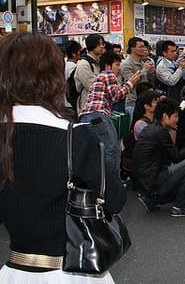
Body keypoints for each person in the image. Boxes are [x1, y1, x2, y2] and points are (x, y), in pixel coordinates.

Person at [0, 32, 126, 283]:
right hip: (71, 271)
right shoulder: (75, 137)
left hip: (14, 269)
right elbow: (114, 200)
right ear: (53, 78)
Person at [134, 98, 185, 217]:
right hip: (153, 182)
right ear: (165, 116)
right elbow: (176, 157)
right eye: (175, 117)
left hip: (145, 182)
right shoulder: (160, 132)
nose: (177, 120)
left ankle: (150, 198)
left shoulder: (152, 128)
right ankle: (182, 206)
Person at [79, 52, 142, 174]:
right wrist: (130, 84)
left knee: (95, 151)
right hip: (99, 115)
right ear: (108, 66)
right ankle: (111, 184)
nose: (119, 68)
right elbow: (116, 96)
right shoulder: (108, 74)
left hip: (85, 117)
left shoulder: (99, 77)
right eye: (117, 64)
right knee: (112, 150)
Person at [121, 36, 156, 121]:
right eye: (140, 46)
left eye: (144, 46)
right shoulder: (127, 64)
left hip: (145, 102)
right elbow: (132, 82)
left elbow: (148, 82)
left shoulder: (142, 62)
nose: (144, 49)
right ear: (132, 49)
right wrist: (145, 70)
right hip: (133, 102)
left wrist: (151, 73)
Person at [74, 33, 105, 114]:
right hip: (87, 107)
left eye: (102, 44)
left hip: (98, 106)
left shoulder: (98, 62)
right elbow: (93, 86)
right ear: (92, 45)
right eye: (99, 44)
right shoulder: (84, 64)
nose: (102, 46)